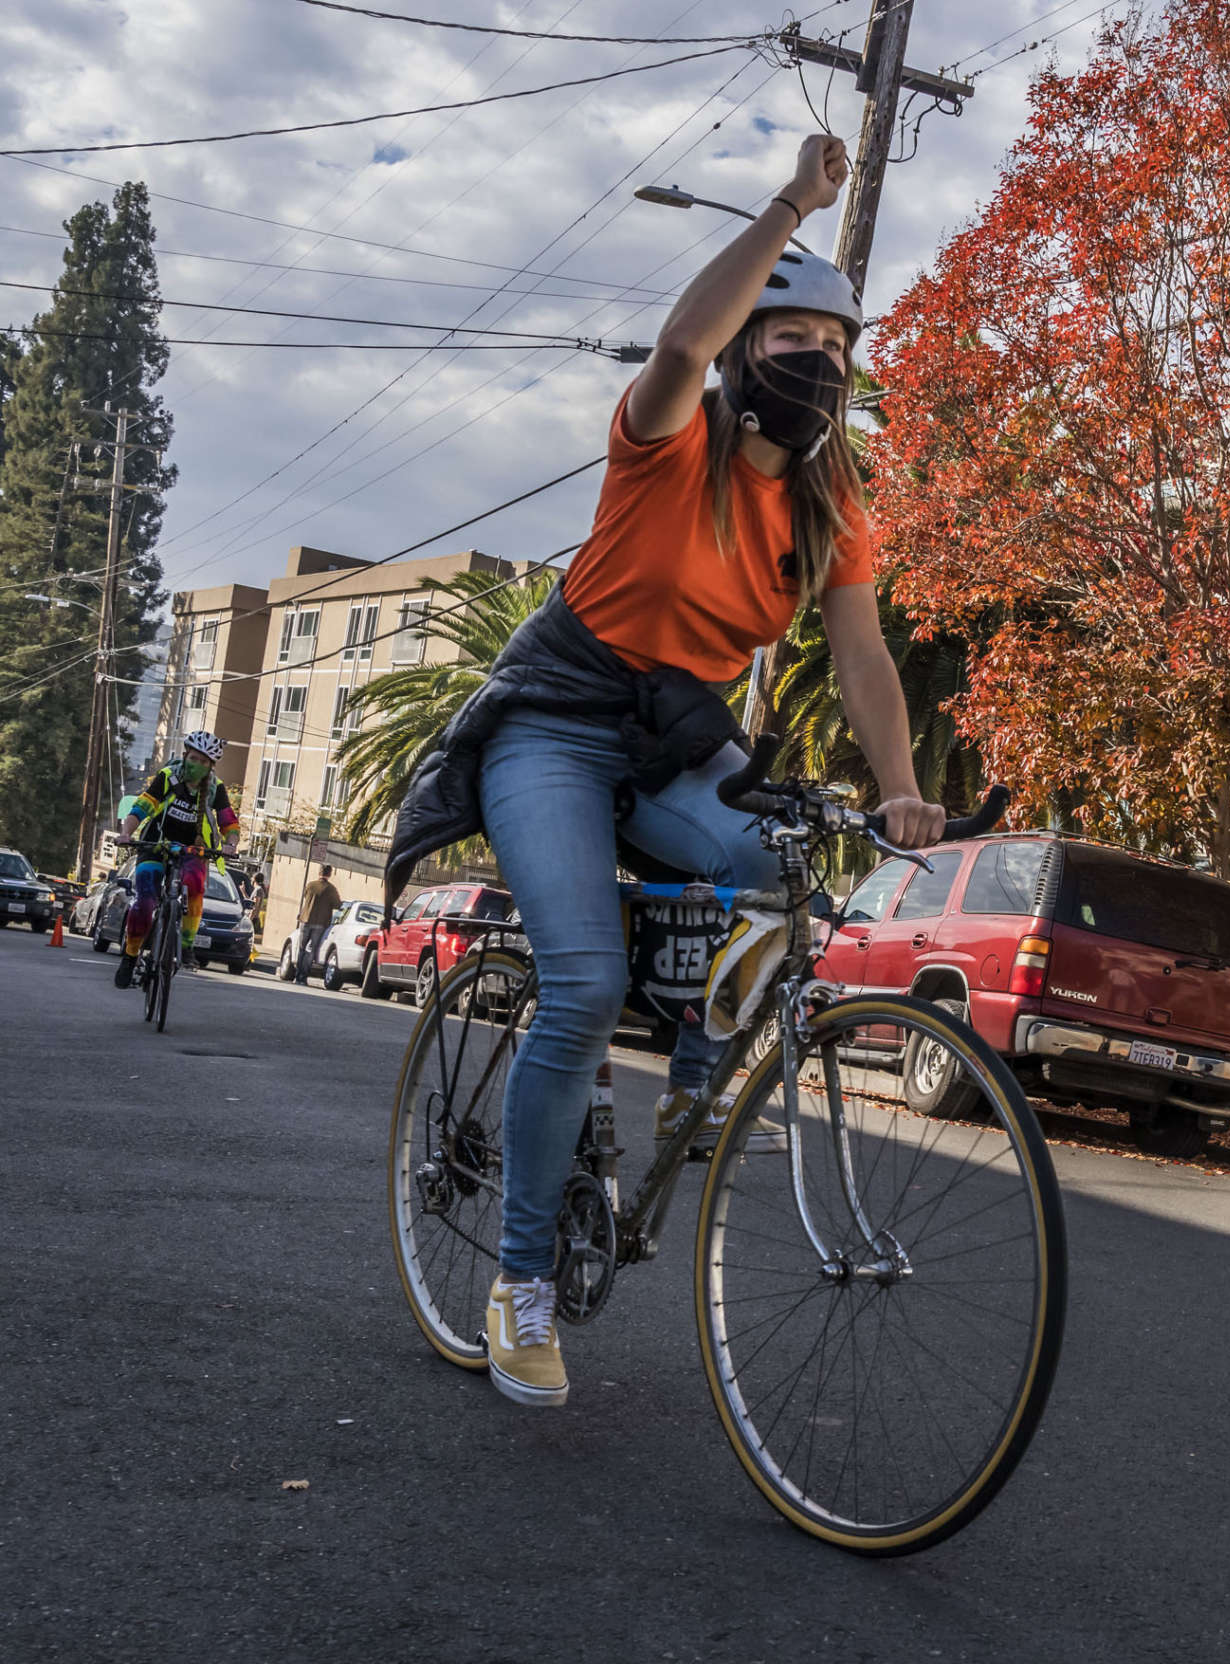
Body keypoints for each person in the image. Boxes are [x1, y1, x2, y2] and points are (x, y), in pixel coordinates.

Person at [381, 133, 942, 1410]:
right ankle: (518, 1284)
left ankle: (695, 1069)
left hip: (678, 743)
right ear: (753, 354)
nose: (821, 372)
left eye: (841, 360)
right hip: (558, 724)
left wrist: (901, 783)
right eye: (798, 347)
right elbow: (681, 348)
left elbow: (861, 661)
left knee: (772, 870)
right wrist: (795, 203)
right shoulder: (668, 442)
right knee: (580, 985)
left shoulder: (829, 504)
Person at [114, 729, 239, 987]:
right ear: (185, 755)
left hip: (193, 850)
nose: (197, 765)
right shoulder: (168, 777)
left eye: (204, 762)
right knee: (145, 903)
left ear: (211, 766)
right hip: (155, 845)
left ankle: (186, 944)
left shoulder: (215, 788)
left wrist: (231, 844)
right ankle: (130, 956)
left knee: (194, 885)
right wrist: (126, 832)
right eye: (194, 758)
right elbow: (142, 806)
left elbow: (228, 819)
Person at [291, 865, 340, 984]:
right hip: (320, 923)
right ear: (330, 874)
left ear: (319, 872)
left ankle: (297, 976)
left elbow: (305, 896)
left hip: (306, 920)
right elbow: (337, 905)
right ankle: (303, 976)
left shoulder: (310, 885)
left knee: (301, 949)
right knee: (311, 950)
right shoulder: (331, 889)